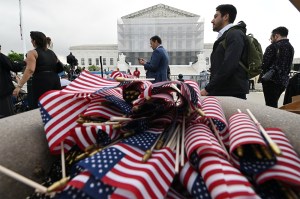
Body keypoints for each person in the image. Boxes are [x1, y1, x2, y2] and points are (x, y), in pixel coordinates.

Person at [200, 4, 248, 99]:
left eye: (215, 16)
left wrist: (207, 89)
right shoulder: (226, 36)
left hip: (231, 93)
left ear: (225, 16)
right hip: (224, 91)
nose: (212, 20)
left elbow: (229, 65)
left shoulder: (234, 34)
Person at [12, 31, 61, 109]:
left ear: (34, 41)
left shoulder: (32, 53)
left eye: (31, 40)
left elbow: (30, 70)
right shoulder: (52, 53)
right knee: (55, 105)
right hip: (55, 79)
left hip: (41, 80)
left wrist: (19, 86)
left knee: (41, 105)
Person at [261, 26, 294, 108]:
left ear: (276, 36)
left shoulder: (272, 47)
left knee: (270, 105)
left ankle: (271, 120)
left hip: (271, 80)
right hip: (283, 81)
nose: (271, 40)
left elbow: (264, 64)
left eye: (271, 38)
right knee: (273, 103)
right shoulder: (291, 48)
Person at [0, 45, 25, 118]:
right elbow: (14, 67)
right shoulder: (1, 57)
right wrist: (24, 62)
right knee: (8, 116)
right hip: (3, 92)